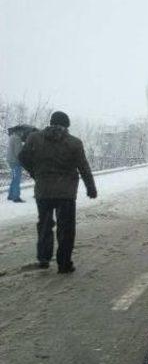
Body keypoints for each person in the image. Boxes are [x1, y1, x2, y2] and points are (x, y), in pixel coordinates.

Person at [18, 111, 97, 273]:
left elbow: (22, 157)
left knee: (45, 224)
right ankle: (64, 263)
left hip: (43, 191)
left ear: (51, 122)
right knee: (66, 228)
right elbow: (83, 167)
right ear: (66, 126)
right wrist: (91, 187)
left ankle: (44, 258)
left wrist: (36, 172)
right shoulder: (74, 143)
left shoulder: (34, 138)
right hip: (66, 193)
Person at [6, 127, 26, 202]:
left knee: (14, 178)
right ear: (19, 132)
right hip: (15, 161)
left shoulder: (11, 137)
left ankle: (10, 195)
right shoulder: (17, 139)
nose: (23, 134)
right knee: (17, 179)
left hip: (10, 160)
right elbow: (18, 153)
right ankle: (16, 197)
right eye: (22, 133)